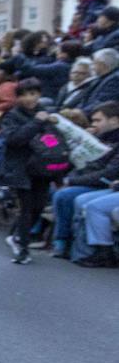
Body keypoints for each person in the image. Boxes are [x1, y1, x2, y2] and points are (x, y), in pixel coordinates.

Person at [0, 78, 62, 264]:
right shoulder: (12, 116)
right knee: (26, 208)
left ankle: (17, 234)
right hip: (21, 168)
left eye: (33, 94)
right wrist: (36, 123)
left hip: (42, 168)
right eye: (25, 94)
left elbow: (53, 143)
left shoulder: (46, 114)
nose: (29, 99)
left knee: (38, 207)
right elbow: (14, 139)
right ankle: (23, 248)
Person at [52, 102, 119, 262]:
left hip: (104, 182)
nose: (94, 124)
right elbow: (89, 163)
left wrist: (73, 180)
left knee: (73, 198)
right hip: (102, 181)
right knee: (60, 192)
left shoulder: (115, 141)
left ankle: (99, 251)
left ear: (115, 121)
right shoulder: (100, 138)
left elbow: (109, 172)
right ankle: (70, 243)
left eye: (98, 120)